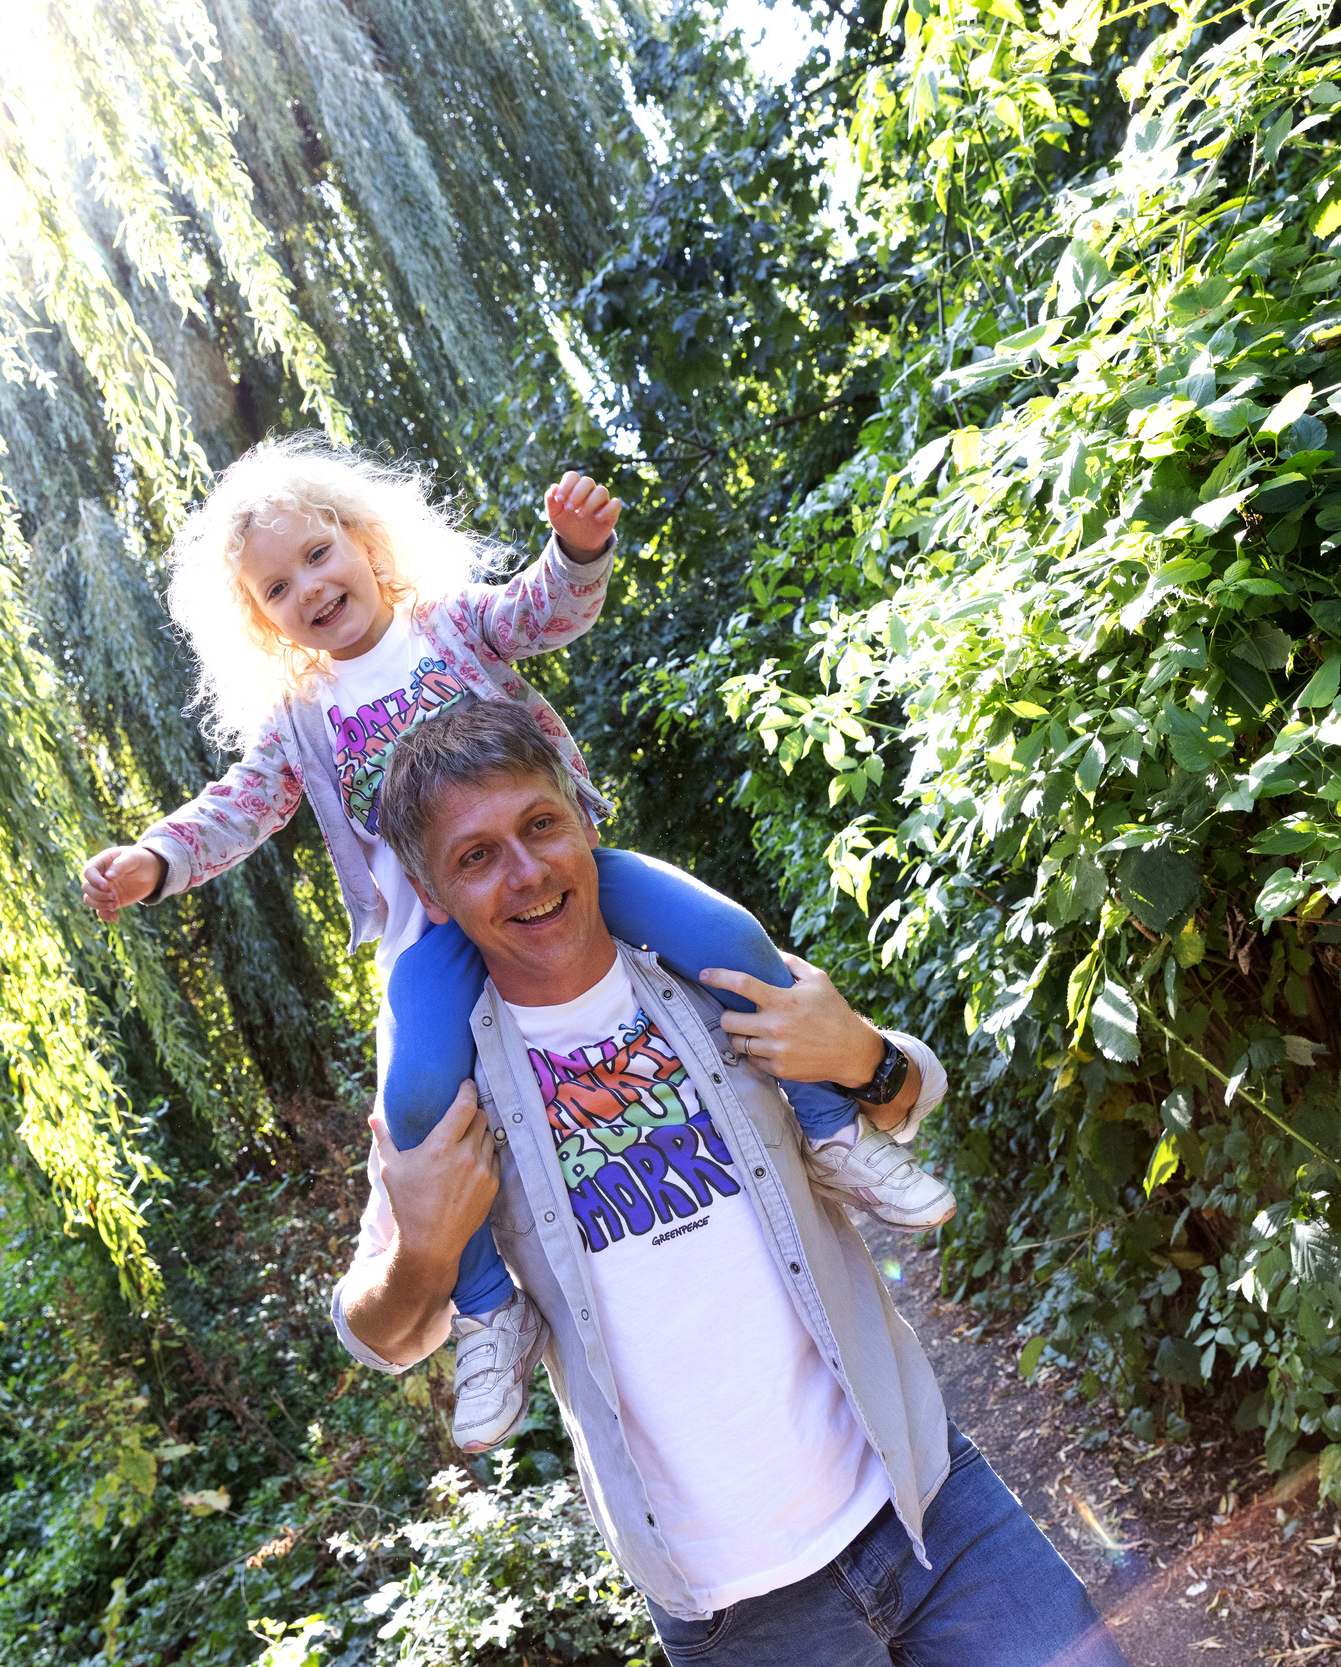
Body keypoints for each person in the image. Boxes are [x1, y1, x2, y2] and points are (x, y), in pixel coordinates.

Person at [77, 435, 957, 1453]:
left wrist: (576, 550)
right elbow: (240, 807)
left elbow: (541, 612)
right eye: (277, 586)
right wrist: (153, 858)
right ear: (262, 621)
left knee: (725, 935)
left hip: (573, 870)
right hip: (440, 936)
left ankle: (834, 1131)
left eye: (318, 553)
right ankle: (491, 1311)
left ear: (365, 542)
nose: (309, 586)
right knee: (414, 1107)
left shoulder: (448, 629)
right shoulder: (303, 722)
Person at [336, 700, 1127, 1667]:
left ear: (584, 814)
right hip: (736, 1616)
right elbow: (378, 1333)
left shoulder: (704, 969)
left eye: (539, 825)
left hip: (927, 1502)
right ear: (432, 888)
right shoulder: (447, 1089)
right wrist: (423, 1248)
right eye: (477, 856)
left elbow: (910, 1092)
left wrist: (867, 1058)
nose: (527, 872)